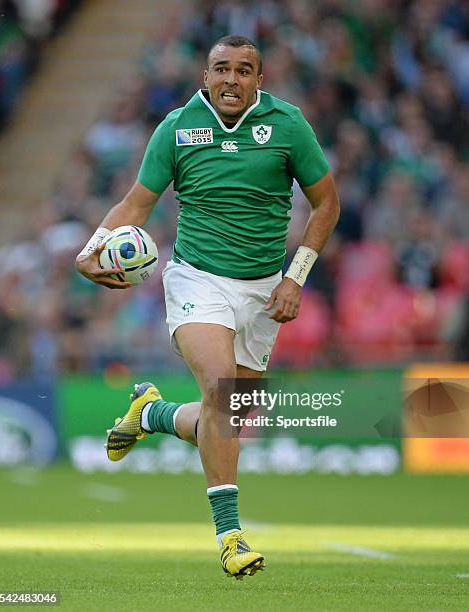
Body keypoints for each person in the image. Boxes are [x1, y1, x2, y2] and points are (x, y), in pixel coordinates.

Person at [75, 35, 340, 580]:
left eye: (245, 71)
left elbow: (327, 203)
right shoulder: (176, 128)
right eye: (222, 68)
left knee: (228, 416)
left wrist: (296, 277)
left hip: (267, 290)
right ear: (206, 74)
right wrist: (89, 252)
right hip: (197, 279)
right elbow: (136, 204)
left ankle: (150, 413)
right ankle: (231, 537)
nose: (232, 80)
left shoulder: (287, 125)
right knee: (221, 387)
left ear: (259, 80)